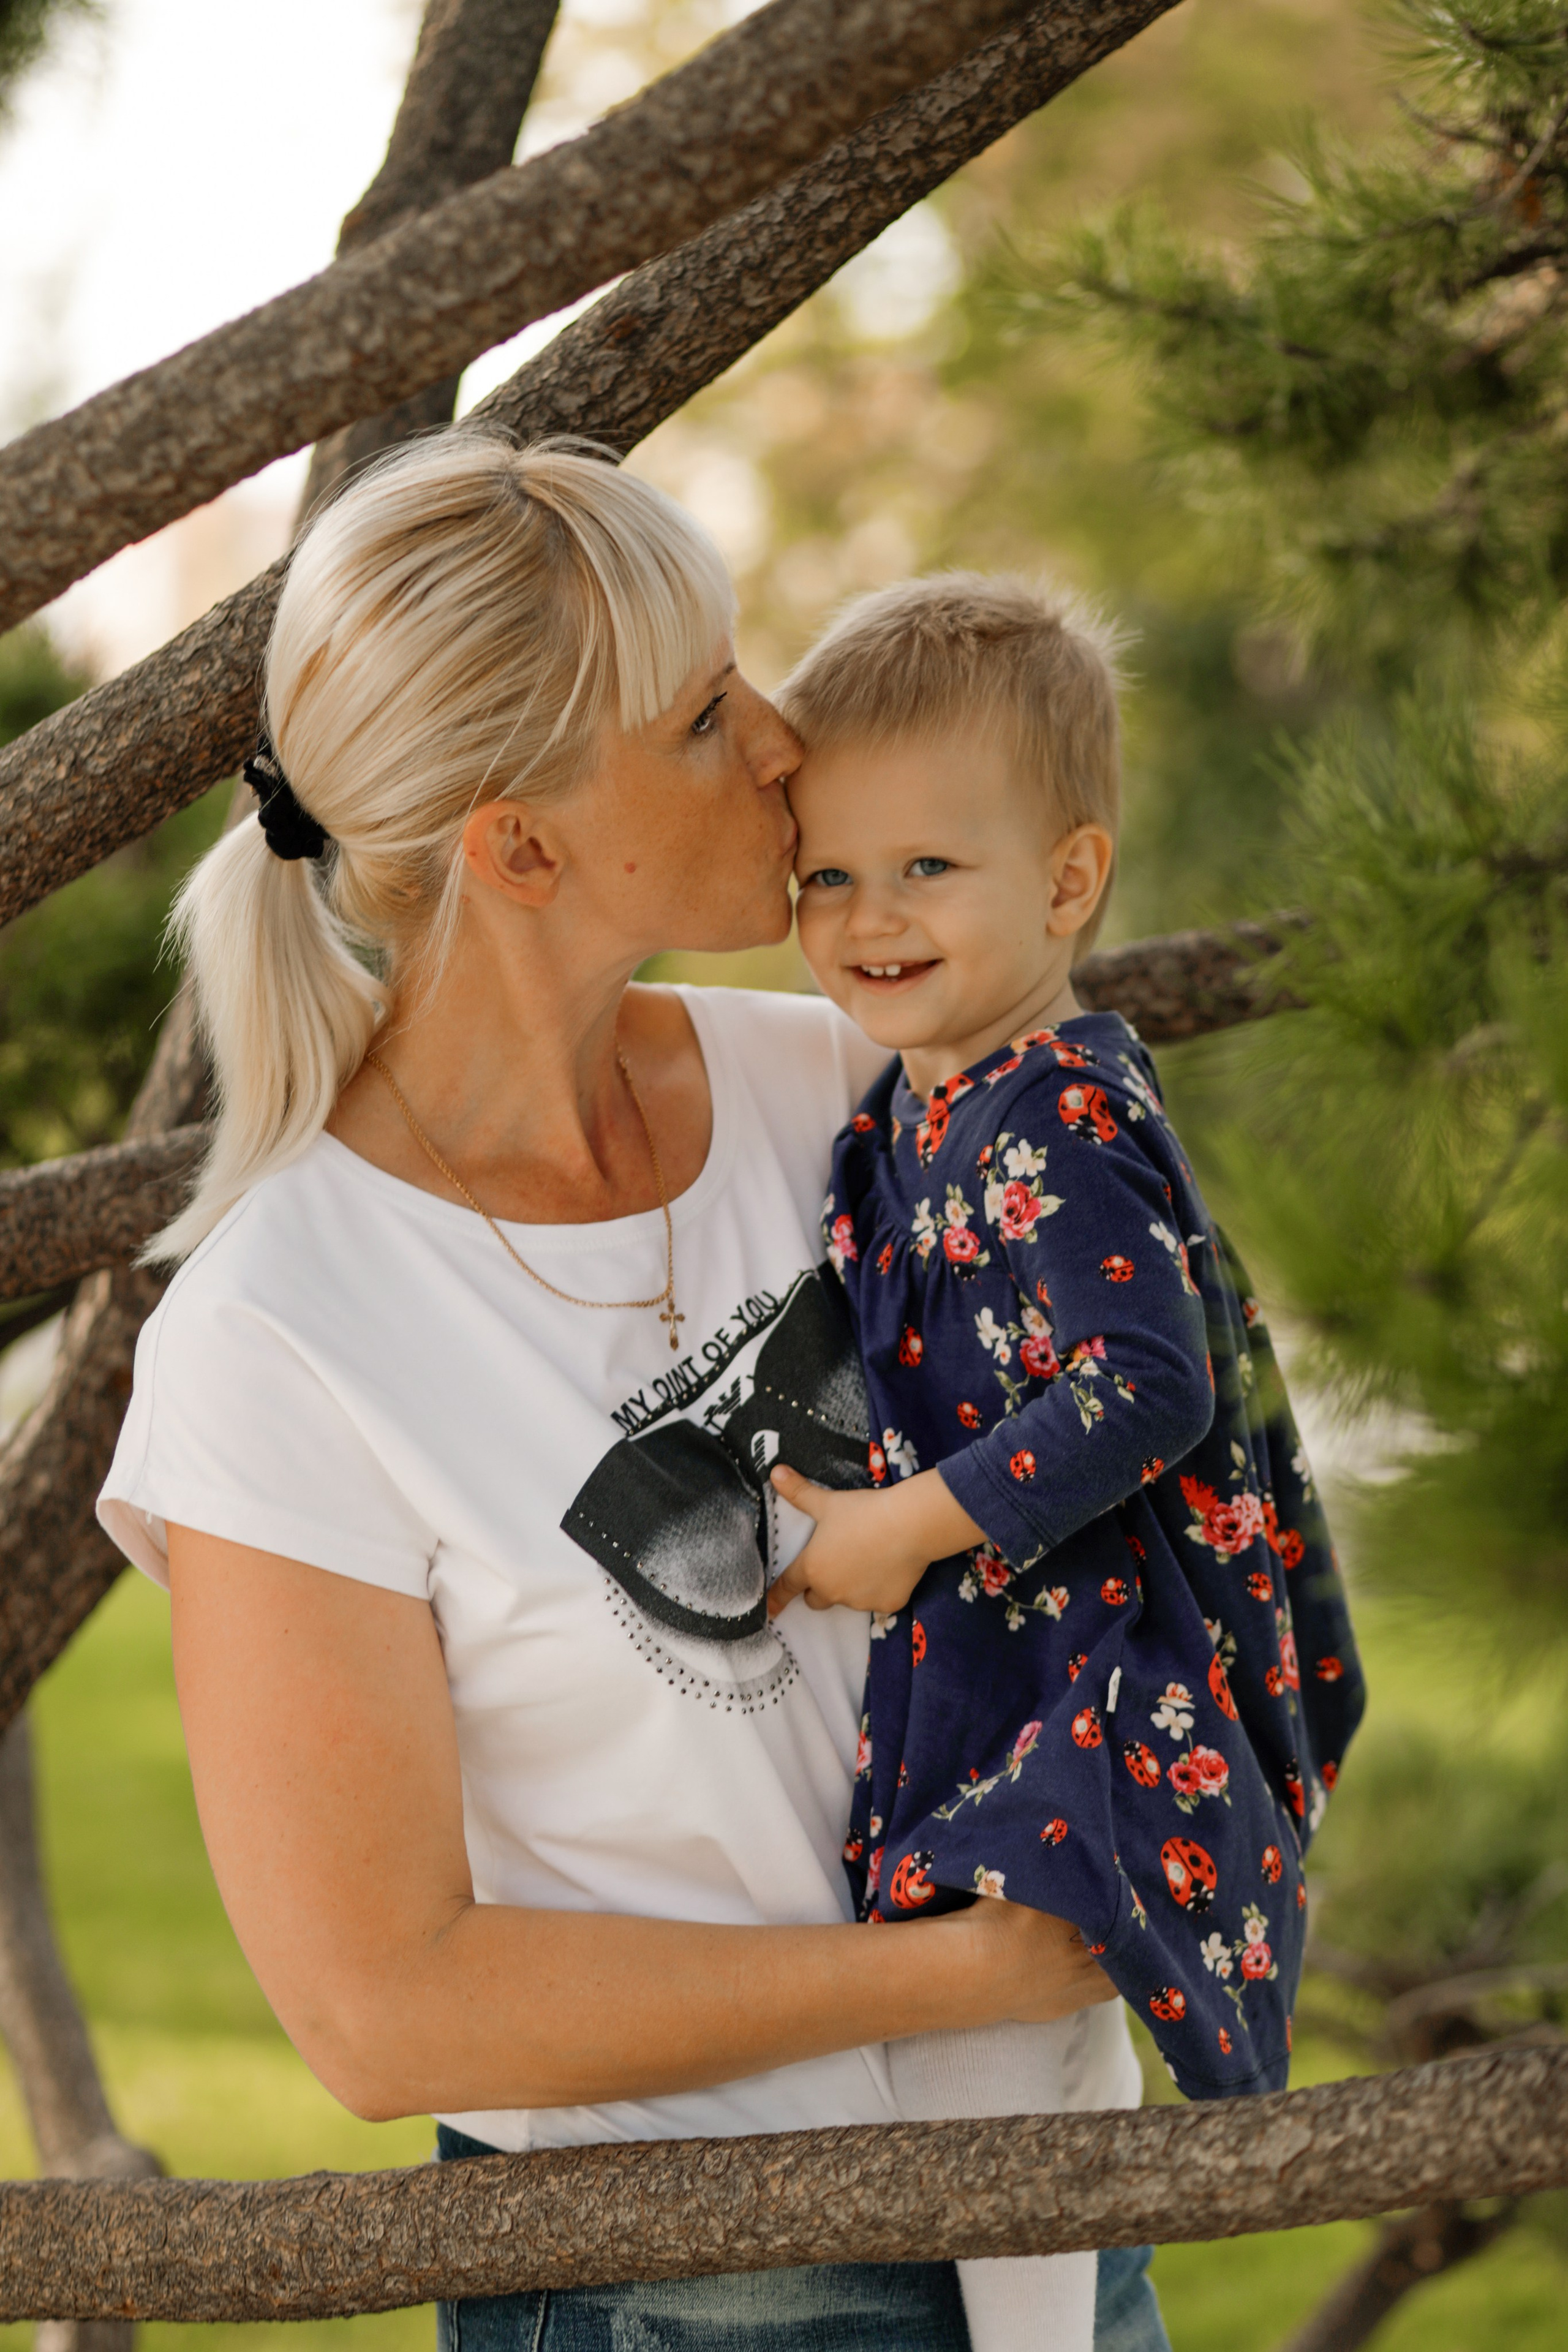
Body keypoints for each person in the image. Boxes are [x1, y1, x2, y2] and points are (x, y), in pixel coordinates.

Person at [94, 440, 1150, 2352]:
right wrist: (948, 1976)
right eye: (700, 716)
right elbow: (379, 2010)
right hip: (696, 2270)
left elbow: (1130, 1406)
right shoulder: (277, 1334)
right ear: (519, 846)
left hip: (1052, 2188)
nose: (783, 737)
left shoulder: (842, 1074)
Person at [766, 575, 1366, 2352]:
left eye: (927, 869)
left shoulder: (1062, 1111)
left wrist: (901, 1532)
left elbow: (1146, 1385)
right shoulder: (918, 1102)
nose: (868, 917)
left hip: (1086, 1677)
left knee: (1005, 2099)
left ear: (1071, 881)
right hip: (1014, 1668)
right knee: (987, 2095)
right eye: (827, 875)